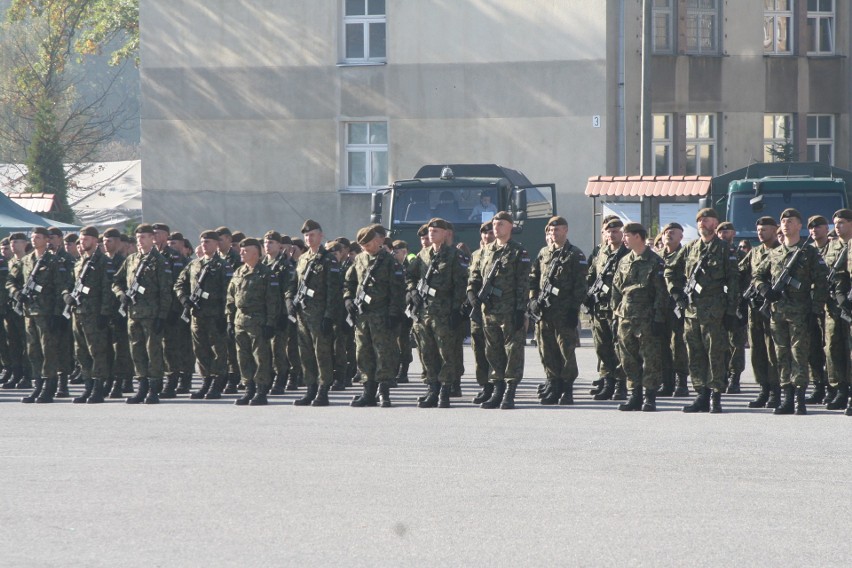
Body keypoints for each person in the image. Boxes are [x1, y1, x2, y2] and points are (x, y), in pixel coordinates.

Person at [753, 208, 828, 415]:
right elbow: (757, 275)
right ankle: (786, 396)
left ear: (799, 226)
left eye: (791, 220)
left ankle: (800, 398)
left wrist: (815, 309)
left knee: (799, 354)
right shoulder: (774, 252)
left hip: (801, 313)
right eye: (783, 221)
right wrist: (765, 289)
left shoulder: (809, 252)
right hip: (777, 312)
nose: (786, 224)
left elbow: (822, 281)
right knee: (781, 353)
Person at [665, 208, 739, 413]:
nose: (702, 224)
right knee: (695, 354)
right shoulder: (690, 249)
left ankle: (715, 396)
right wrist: (676, 293)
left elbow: (734, 281)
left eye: (706, 220)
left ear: (715, 224)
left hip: (715, 312)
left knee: (715, 354)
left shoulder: (725, 249)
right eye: (699, 220)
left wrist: (731, 311)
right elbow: (670, 270)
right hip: (691, 312)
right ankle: (701, 395)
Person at [467, 211, 531, 409]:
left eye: (501, 224)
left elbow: (523, 283)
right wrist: (472, 293)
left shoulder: (519, 252)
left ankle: (510, 391)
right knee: (492, 351)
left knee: (512, 351)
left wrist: (521, 310)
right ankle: (497, 389)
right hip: (489, 311)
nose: (496, 227)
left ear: (510, 227)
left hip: (510, 311)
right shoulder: (485, 251)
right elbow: (475, 275)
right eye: (495, 223)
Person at [405, 218, 467, 408]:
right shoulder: (423, 255)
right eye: (430, 231)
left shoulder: (454, 256)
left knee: (446, 353)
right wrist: (412, 291)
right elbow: (410, 275)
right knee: (427, 352)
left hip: (444, 313)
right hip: (423, 313)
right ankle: (432, 388)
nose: (432, 234)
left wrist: (456, 310)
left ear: (446, 234)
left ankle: (445, 391)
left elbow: (460, 285)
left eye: (436, 231)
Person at [7, 227, 71, 403]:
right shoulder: (26, 260)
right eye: (33, 237)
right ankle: (38, 386)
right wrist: (16, 293)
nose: (34, 240)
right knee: (33, 351)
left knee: (48, 351)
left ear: (46, 240)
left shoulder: (54, 261)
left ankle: (49, 387)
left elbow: (61, 287)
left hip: (47, 313)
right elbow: (11, 280)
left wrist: (58, 315)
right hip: (29, 312)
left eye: (38, 237)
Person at [529, 216, 588, 405]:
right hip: (544, 312)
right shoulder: (544, 252)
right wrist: (532, 299)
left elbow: (580, 286)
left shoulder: (575, 255)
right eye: (551, 231)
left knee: (566, 351)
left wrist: (573, 310)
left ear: (566, 231)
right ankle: (553, 385)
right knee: (547, 350)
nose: (554, 234)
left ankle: (567, 389)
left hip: (564, 313)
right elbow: (534, 277)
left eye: (557, 230)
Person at [112, 224, 173, 404]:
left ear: (152, 238)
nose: (140, 240)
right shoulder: (131, 260)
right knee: (136, 351)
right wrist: (120, 294)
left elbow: (165, 291)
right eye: (138, 237)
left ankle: (154, 389)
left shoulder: (159, 261)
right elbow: (116, 280)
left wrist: (162, 316)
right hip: (134, 314)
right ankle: (142, 387)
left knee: (153, 352)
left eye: (144, 237)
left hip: (152, 315)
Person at [610, 223, 667, 411]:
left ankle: (649, 396)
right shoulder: (624, 261)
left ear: (638, 237)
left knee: (650, 359)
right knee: (627, 358)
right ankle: (634, 394)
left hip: (647, 318)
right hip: (625, 317)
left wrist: (659, 317)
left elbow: (661, 292)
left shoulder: (655, 261)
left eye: (627, 235)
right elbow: (616, 289)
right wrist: (614, 314)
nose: (623, 239)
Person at [286, 219, 342, 407]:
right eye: (306, 235)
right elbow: (293, 283)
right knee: (306, 354)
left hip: (320, 315)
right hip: (303, 314)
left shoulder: (328, 259)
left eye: (312, 235)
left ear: (321, 236)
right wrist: (289, 300)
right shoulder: (302, 259)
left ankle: (323, 390)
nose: (309, 238)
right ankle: (310, 389)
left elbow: (334, 290)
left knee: (322, 354)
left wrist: (328, 316)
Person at [62, 226, 115, 404]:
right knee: (81, 352)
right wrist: (66, 295)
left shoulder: (103, 262)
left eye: (86, 239)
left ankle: (98, 389)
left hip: (94, 314)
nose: (82, 242)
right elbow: (68, 284)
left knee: (97, 352)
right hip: (78, 312)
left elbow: (107, 289)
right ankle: (88, 386)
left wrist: (104, 313)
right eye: (81, 239)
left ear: (95, 241)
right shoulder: (79, 262)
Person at [175, 230, 231, 400]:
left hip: (215, 316)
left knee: (217, 351)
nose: (205, 245)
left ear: (216, 244)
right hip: (197, 316)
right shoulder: (194, 265)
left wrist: (224, 315)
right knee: (200, 350)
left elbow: (228, 292)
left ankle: (216, 383)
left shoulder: (223, 266)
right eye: (203, 242)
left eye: (208, 242)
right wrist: (185, 299)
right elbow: (179, 284)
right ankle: (206, 381)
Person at [227, 237, 280, 406]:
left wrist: (270, 323)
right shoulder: (238, 272)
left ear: (256, 253)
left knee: (260, 358)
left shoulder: (266, 273)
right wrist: (229, 319)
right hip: (240, 321)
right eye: (241, 250)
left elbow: (273, 300)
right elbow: (230, 298)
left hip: (258, 321)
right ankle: (248, 389)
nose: (241, 252)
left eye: (246, 250)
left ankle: (261, 391)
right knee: (243, 357)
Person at [739, 216, 782, 409]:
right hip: (754, 308)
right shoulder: (754, 252)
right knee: (757, 350)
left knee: (772, 350)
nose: (760, 232)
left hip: (772, 307)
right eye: (758, 229)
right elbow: (739, 271)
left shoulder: (780, 252)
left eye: (764, 229)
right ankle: (763, 388)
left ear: (775, 230)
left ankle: (775, 390)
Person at [585, 217, 628, 401]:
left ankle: (620, 384)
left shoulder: (627, 254)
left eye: (616, 231)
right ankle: (607, 381)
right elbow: (590, 275)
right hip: (599, 307)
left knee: (619, 347)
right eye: (609, 231)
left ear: (622, 233)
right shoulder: (600, 253)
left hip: (617, 308)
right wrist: (587, 294)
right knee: (602, 347)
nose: (612, 234)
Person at [153, 223, 192, 397]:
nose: (154, 236)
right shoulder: (149, 256)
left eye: (158, 233)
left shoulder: (175, 257)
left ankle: (173, 381)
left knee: (171, 347)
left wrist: (175, 310)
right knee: (156, 348)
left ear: (166, 236)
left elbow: (177, 285)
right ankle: (158, 380)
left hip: (170, 310)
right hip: (152, 310)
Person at [818, 209, 852, 411]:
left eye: (841, 223)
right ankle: (840, 389)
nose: (837, 227)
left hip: (849, 304)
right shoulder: (831, 247)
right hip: (832, 307)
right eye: (835, 223)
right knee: (833, 348)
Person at [657, 222, 690, 397]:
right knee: (662, 345)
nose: (668, 234)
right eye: (666, 232)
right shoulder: (656, 257)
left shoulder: (686, 255)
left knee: (678, 345)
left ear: (681, 237)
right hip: (660, 307)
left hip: (677, 307)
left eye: (673, 232)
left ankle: (682, 382)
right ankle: (666, 382)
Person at [102, 228, 134, 397]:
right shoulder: (99, 261)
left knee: (121, 350)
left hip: (119, 312)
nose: (107, 244)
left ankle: (121, 382)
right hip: (102, 312)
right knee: (105, 349)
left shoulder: (125, 262)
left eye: (111, 241)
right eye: (105, 241)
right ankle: (108, 380)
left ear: (119, 243)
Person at [717, 221, 748, 394]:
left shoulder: (741, 256)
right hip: (718, 305)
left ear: (734, 234)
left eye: (727, 231)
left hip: (736, 304)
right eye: (720, 231)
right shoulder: (714, 255)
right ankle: (721, 375)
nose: (723, 234)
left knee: (736, 343)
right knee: (720, 342)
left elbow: (747, 280)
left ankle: (735, 378)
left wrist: (742, 305)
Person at [805, 215, 831, 403]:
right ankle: (818, 386)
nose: (815, 230)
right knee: (813, 349)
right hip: (809, 305)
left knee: (830, 348)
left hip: (830, 305)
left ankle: (833, 386)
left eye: (819, 226)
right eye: (811, 228)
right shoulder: (806, 251)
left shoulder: (836, 247)